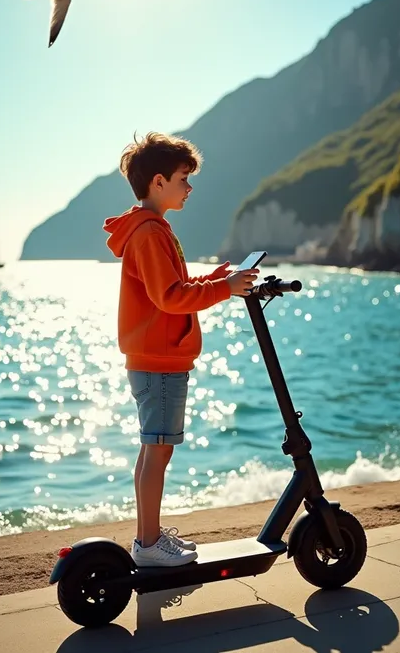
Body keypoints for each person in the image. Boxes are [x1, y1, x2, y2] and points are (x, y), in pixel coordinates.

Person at [103, 132, 259, 567]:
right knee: (158, 451)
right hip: (160, 361)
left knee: (154, 450)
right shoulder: (150, 233)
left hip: (157, 358)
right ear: (158, 182)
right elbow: (170, 298)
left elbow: (172, 288)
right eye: (183, 179)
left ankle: (147, 539)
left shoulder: (151, 229)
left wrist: (215, 279)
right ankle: (150, 546)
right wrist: (224, 290)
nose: (189, 188)